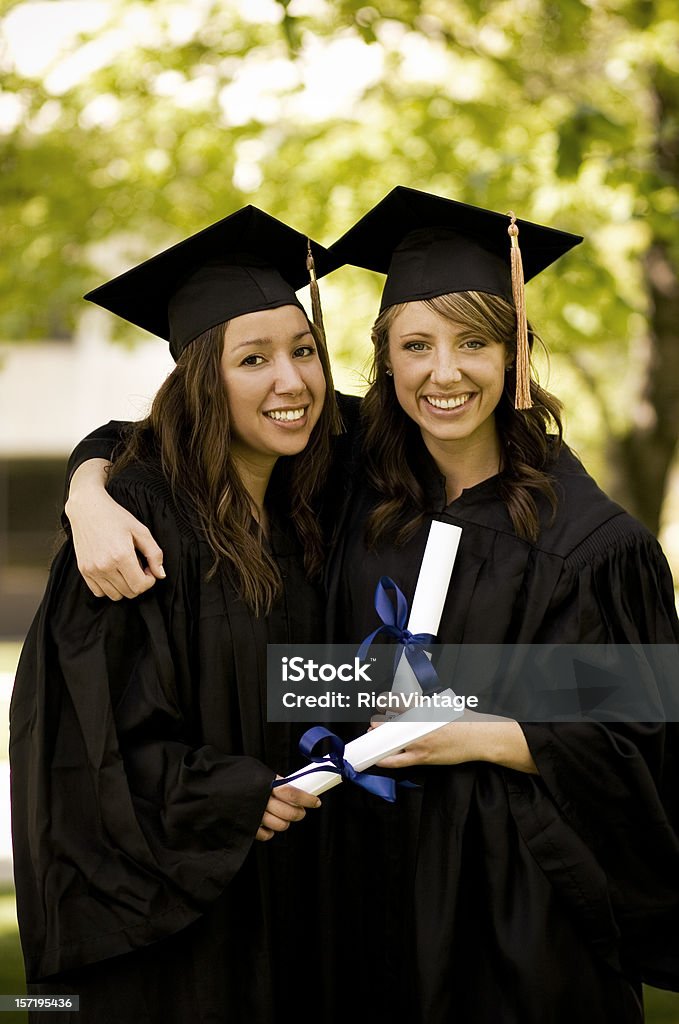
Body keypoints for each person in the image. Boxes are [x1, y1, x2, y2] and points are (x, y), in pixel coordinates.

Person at [56, 188, 679, 1023]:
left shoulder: (594, 544)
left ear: (517, 352)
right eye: (415, 345)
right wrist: (88, 487)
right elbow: (182, 427)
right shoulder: (353, 478)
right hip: (354, 891)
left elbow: (642, 721)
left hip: (518, 910)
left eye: (474, 343)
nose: (443, 372)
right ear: (383, 359)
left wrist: (483, 730)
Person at [9, 204, 349, 1023]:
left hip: (306, 893)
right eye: (254, 359)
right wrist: (228, 794)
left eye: (304, 351)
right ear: (204, 376)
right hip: (180, 929)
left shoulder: (316, 490)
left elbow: (287, 684)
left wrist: (463, 702)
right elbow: (81, 738)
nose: (291, 381)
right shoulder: (138, 521)